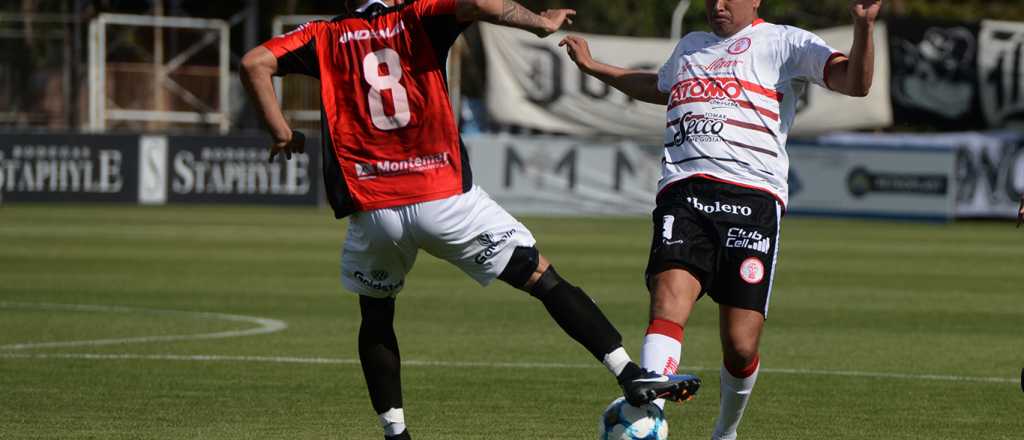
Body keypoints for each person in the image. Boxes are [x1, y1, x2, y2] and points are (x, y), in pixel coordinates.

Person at [239, 1, 701, 439]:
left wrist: (281, 132)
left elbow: (254, 62)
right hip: (444, 200)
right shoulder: (418, 14)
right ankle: (628, 373)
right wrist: (539, 21)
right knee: (542, 278)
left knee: (376, 316)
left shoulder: (323, 35)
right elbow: (479, 4)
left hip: (374, 207)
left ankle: (395, 432)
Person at [559, 0, 882, 438]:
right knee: (668, 297)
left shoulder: (786, 42)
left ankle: (725, 431)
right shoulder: (692, 45)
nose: (717, 4)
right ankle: (648, 412)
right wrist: (595, 67)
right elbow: (660, 87)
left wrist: (863, 27)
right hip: (685, 191)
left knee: (740, 343)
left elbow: (856, 84)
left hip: (752, 199)